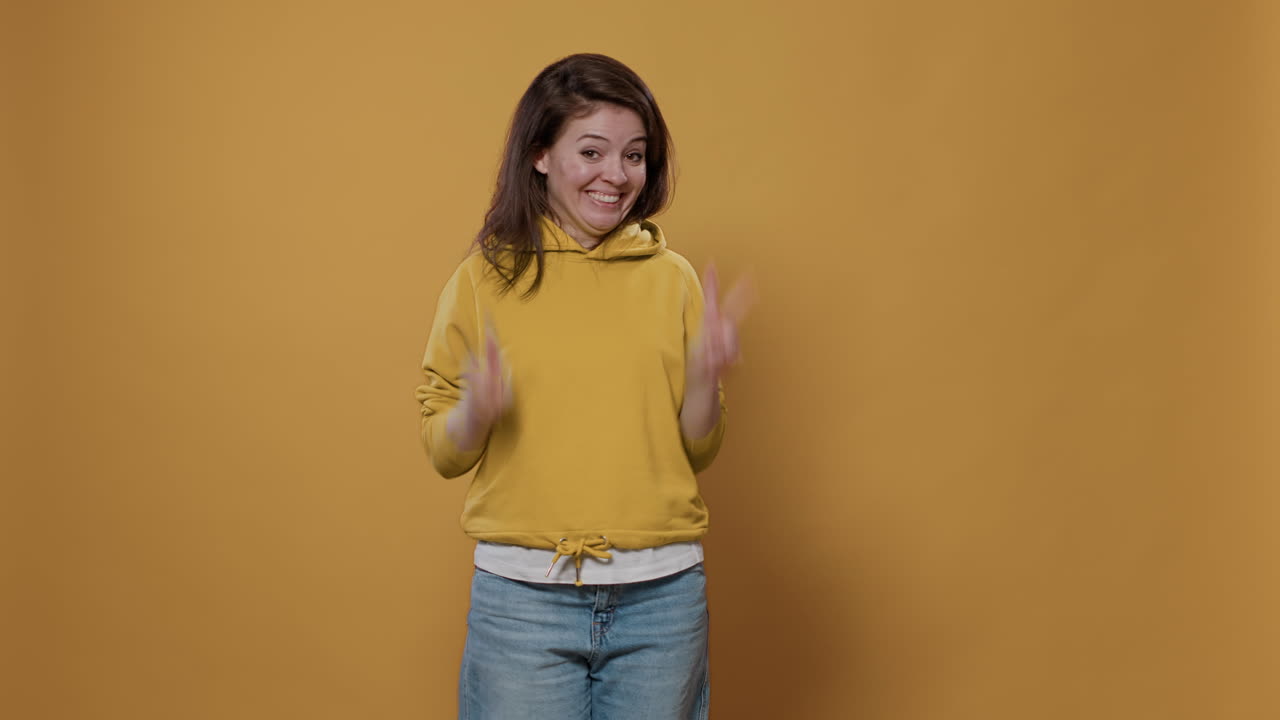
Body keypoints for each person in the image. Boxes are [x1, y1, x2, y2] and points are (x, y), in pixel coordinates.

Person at [415, 53, 750, 720]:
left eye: (634, 155)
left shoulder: (673, 278)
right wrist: (475, 413)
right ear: (540, 154)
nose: (616, 175)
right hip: (522, 603)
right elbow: (443, 449)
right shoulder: (485, 279)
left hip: (661, 598)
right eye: (591, 151)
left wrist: (706, 379)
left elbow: (698, 449)